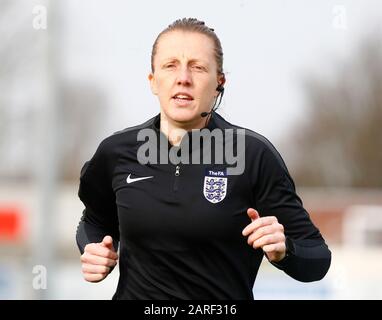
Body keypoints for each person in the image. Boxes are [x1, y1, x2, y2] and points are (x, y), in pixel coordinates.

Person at [76, 18, 331, 300]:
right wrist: (94, 249)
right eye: (170, 65)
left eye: (198, 67)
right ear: (153, 81)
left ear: (219, 82)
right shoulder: (116, 152)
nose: (183, 77)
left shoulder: (253, 155)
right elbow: (93, 221)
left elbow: (317, 259)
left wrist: (285, 251)